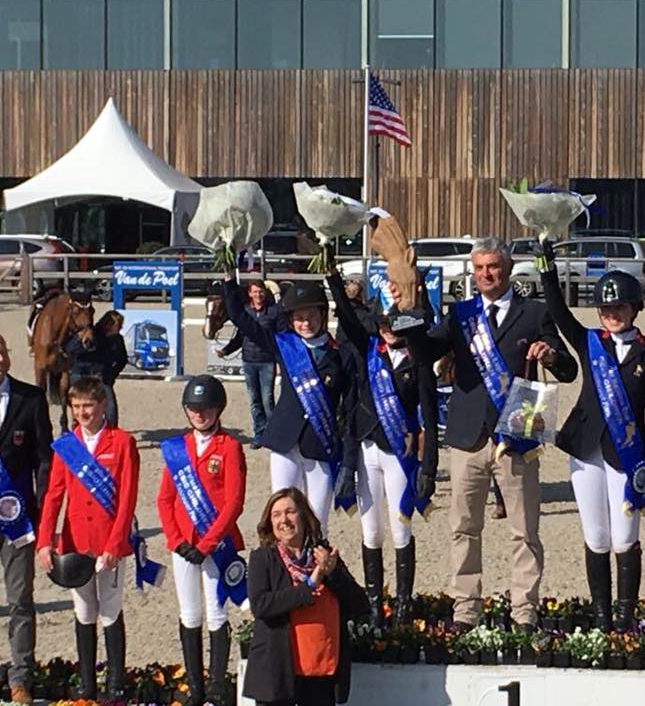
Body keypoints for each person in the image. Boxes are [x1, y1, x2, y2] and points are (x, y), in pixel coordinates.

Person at [400, 237, 578, 630]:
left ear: (508, 268)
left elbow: (568, 369)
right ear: (473, 271)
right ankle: (466, 608)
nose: (486, 274)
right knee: (463, 527)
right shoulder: (460, 313)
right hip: (467, 437)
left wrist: (549, 355)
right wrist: (409, 316)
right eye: (479, 268)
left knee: (525, 530)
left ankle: (524, 611)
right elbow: (427, 351)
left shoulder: (534, 313)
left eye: (493, 267)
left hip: (516, 435)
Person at [538, 246, 645, 632]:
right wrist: (547, 267)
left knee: (625, 538)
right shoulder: (590, 341)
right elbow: (560, 314)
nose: (612, 316)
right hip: (585, 450)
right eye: (606, 311)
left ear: (634, 310)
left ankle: (625, 618)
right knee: (596, 536)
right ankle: (601, 616)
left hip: (627, 455)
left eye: (619, 310)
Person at [327, 264, 439, 628]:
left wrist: (429, 468)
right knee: (371, 530)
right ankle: (375, 605)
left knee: (401, 527)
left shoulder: (418, 361)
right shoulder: (366, 351)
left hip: (399, 451)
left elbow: (430, 415)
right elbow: (346, 312)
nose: (389, 330)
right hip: (364, 450)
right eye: (384, 324)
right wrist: (332, 278)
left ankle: (404, 605)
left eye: (396, 324)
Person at [223, 273, 353, 530]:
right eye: (300, 318)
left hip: (320, 444)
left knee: (318, 521)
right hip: (284, 441)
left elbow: (347, 408)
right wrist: (229, 279)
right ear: (291, 320)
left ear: (322, 317)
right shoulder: (283, 345)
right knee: (282, 517)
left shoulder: (339, 354)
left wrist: (347, 456)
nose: (306, 323)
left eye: (312, 317)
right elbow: (239, 317)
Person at [37, 377, 140, 701]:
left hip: (109, 541)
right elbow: (54, 495)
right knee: (83, 611)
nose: (83, 412)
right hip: (75, 542)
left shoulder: (122, 442)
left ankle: (115, 682)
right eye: (77, 406)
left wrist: (114, 544)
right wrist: (44, 541)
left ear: (102, 405)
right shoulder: (67, 444)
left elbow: (127, 499)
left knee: (110, 610)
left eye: (88, 406)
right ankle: (87, 682)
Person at [156, 375, 247, 706]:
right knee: (189, 614)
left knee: (217, 612)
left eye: (206, 409)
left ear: (218, 409)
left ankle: (218, 685)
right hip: (184, 545)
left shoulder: (230, 447)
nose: (199, 414)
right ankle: (195, 686)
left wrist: (206, 544)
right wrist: (176, 540)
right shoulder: (176, 448)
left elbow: (234, 502)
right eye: (193, 408)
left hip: (216, 545)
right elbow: (165, 500)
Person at [243, 488, 366, 706]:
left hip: (320, 672)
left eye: (290, 512)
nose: (284, 520)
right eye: (276, 515)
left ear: (303, 515)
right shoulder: (263, 558)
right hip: (278, 673)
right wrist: (307, 587)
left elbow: (360, 606)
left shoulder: (324, 555)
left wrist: (333, 573)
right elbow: (261, 606)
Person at [0, 334, 53, 704]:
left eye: (0, 352)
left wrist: (41, 508)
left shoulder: (30, 399)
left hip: (17, 518)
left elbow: (44, 459)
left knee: (20, 598)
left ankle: (21, 677)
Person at [217, 280, 280, 449]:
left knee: (267, 399)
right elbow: (240, 337)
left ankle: (274, 433)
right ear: (250, 294)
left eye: (261, 292)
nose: (258, 295)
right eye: (255, 292)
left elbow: (279, 339)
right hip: (249, 361)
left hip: (267, 361)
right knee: (254, 400)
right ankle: (259, 433)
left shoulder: (273, 312)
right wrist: (226, 350)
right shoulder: (245, 312)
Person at [63, 311, 126, 426]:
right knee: (80, 408)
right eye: (118, 326)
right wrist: (78, 339)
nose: (120, 329)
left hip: (101, 376)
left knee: (111, 410)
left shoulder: (117, 339)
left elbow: (122, 359)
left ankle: (111, 435)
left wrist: (111, 374)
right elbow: (69, 350)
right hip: (80, 374)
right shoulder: (91, 333)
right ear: (109, 324)